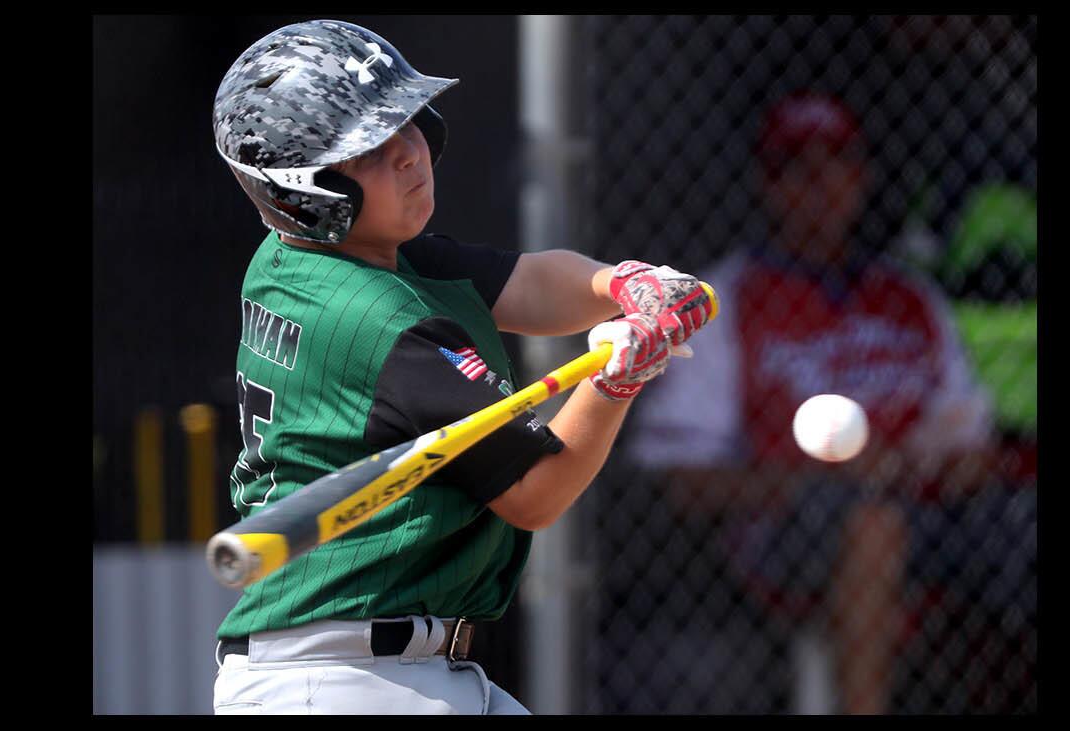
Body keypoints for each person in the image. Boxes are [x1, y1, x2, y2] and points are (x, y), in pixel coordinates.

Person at [207, 19, 713, 715]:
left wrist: (626, 283)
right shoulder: (388, 325)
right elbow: (535, 490)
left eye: (408, 124)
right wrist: (618, 377)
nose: (410, 153)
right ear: (305, 190)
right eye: (369, 150)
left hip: (368, 668)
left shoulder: (306, 258)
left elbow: (525, 283)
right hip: (342, 682)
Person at [625, 90, 997, 713]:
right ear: (767, 185)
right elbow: (683, 481)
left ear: (864, 175)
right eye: (797, 167)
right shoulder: (727, 299)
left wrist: (940, 465)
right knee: (871, 522)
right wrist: (822, 479)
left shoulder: (909, 296)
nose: (821, 184)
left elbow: (971, 441)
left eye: (838, 162)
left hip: (930, 513)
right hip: (788, 528)